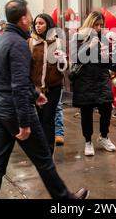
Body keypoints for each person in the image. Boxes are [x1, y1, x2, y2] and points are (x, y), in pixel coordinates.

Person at [0, 0, 89, 200]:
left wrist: (34, 94)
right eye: (30, 16)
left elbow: (4, 78)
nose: (32, 20)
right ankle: (66, 199)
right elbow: (18, 86)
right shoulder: (19, 44)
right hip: (16, 112)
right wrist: (24, 122)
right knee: (44, 160)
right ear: (23, 19)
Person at [70, 11, 116, 157]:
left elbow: (110, 63)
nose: (98, 28)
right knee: (86, 112)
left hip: (101, 78)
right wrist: (89, 45)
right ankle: (88, 141)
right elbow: (75, 57)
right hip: (85, 80)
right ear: (90, 24)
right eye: (96, 24)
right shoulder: (77, 37)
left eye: (101, 25)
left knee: (107, 108)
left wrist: (106, 57)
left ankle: (104, 136)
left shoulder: (103, 38)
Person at [29, 14, 67, 155]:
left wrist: (61, 59)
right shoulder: (30, 42)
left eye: (41, 23)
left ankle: (48, 151)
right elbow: (28, 67)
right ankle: (41, 149)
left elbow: (64, 68)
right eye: (36, 23)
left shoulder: (57, 42)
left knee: (48, 118)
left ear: (48, 25)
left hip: (53, 87)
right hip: (37, 88)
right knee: (39, 119)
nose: (38, 26)